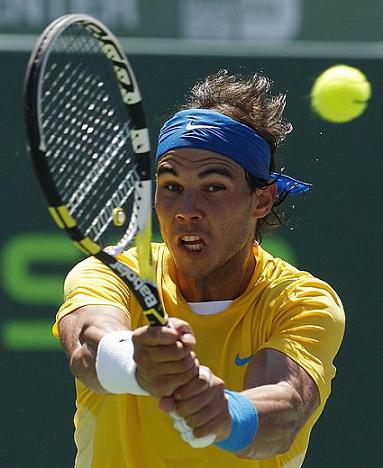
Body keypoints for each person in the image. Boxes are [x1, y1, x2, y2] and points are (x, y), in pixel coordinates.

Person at [54, 70, 345, 468]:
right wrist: (138, 363)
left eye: (213, 187)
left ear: (262, 200)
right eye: (171, 186)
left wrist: (224, 414)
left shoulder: (301, 301)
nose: (186, 211)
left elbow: (287, 408)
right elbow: (88, 347)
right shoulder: (113, 272)